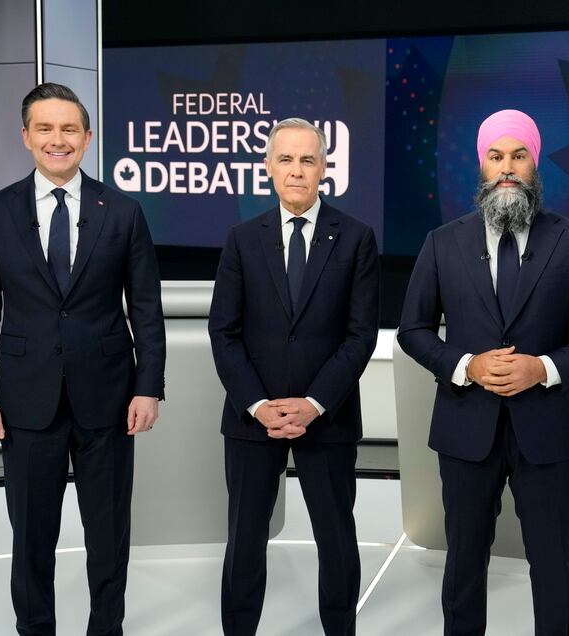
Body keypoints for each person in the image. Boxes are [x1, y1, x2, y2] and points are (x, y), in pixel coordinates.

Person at [397, 109, 569, 635]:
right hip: (465, 429)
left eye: (518, 156)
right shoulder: (442, 242)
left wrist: (543, 368)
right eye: (495, 157)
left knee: (552, 565)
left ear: (534, 164)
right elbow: (413, 330)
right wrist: (466, 365)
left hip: (548, 430)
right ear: (481, 166)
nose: (507, 168)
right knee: (464, 566)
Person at [0, 82, 166, 636]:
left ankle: (107, 629)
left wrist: (149, 387)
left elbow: (146, 309)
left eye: (69, 129)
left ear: (88, 137)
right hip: (25, 403)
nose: (58, 139)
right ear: (25, 136)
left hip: (110, 399)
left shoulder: (122, 211)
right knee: (31, 537)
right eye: (45, 128)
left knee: (108, 536)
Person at [208, 117, 380, 636]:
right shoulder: (242, 239)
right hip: (251, 419)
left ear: (324, 168)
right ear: (268, 167)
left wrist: (314, 403)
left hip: (326, 418)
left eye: (308, 160)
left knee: (336, 537)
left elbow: (360, 336)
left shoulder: (356, 239)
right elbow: (224, 332)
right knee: (244, 540)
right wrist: (259, 405)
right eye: (286, 159)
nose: (297, 171)